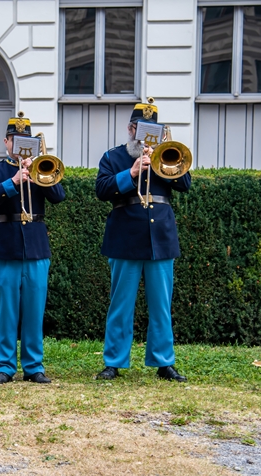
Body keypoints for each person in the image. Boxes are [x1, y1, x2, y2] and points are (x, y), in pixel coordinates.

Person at [94, 98, 191, 382]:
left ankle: (164, 362)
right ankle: (114, 361)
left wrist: (163, 159)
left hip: (160, 237)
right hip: (125, 237)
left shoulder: (168, 154)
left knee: (161, 305)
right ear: (130, 129)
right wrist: (132, 172)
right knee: (120, 304)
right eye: (141, 129)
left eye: (153, 130)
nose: (145, 136)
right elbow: (102, 190)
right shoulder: (113, 157)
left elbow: (185, 184)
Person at [0, 113, 65, 385]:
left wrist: (39, 174)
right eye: (15, 141)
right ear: (6, 142)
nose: (20, 146)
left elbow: (59, 196)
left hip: (36, 248)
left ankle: (33, 366)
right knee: (6, 311)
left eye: (25, 142)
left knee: (34, 311)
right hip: (5, 247)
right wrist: (14, 181)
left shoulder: (42, 168)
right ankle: (5, 365)